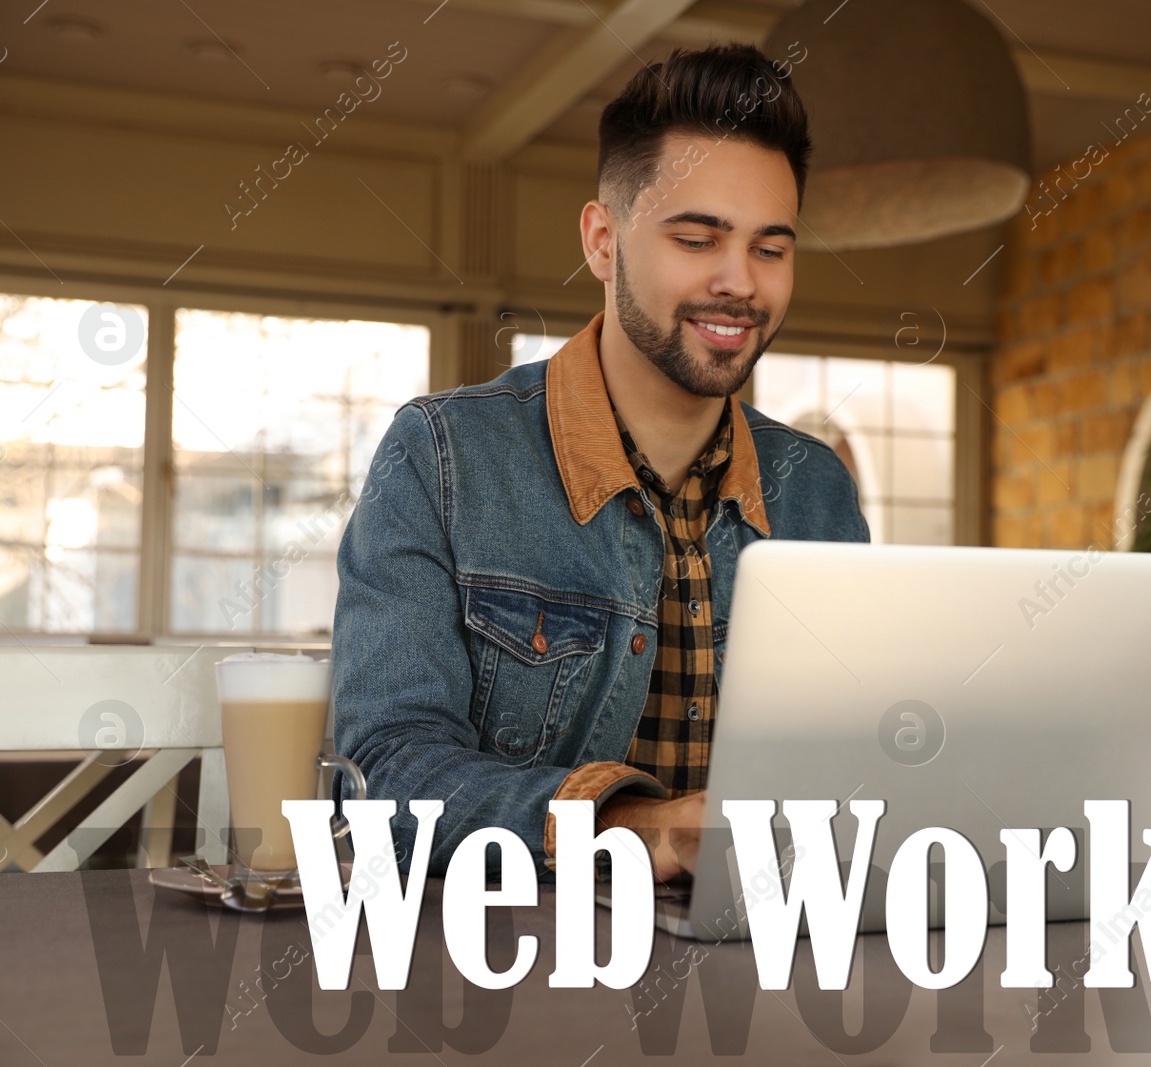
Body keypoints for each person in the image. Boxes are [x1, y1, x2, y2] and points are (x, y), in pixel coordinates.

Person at [331, 43, 870, 882]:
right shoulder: (443, 457)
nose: (741, 283)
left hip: (769, 972)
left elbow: (863, 763)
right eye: (698, 238)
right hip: (513, 974)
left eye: (771, 248)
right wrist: (634, 826)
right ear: (602, 241)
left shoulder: (820, 492)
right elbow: (383, 781)